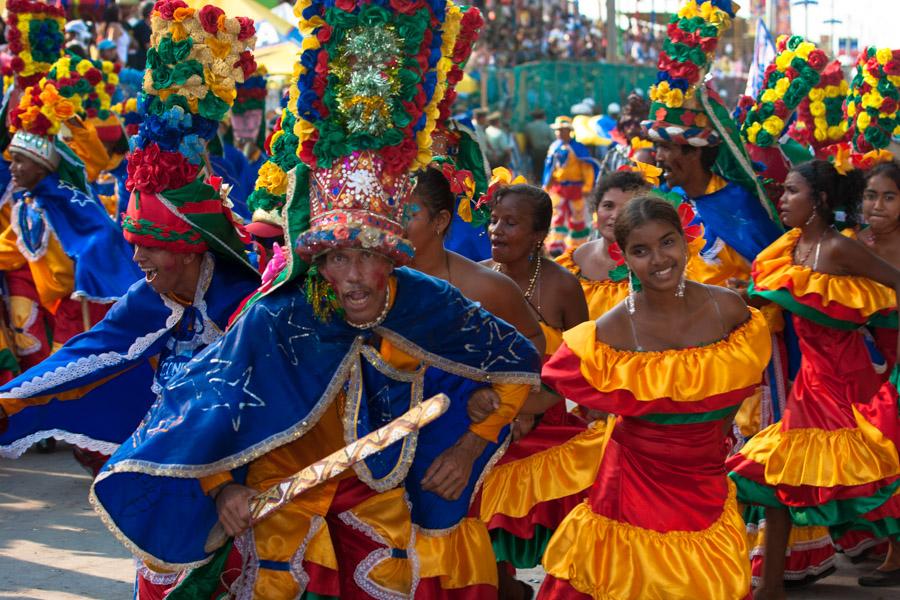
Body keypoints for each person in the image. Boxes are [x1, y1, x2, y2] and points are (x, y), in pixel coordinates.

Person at [90, 3, 541, 599]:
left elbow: (516, 365)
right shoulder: (280, 311)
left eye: (368, 257)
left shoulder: (427, 300)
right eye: (337, 258)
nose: (353, 276)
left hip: (377, 497)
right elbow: (208, 401)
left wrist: (471, 443)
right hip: (278, 497)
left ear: (394, 256)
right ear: (317, 259)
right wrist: (223, 486)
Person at [535, 195, 771, 599]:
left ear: (686, 240)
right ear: (622, 256)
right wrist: (490, 413)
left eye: (667, 242)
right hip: (632, 489)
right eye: (640, 250)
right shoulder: (610, 330)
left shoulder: (730, 310)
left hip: (706, 487)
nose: (659, 259)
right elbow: (549, 387)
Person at [726, 160, 900, 599]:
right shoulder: (790, 247)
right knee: (774, 478)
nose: (781, 200)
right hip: (810, 384)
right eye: (783, 191)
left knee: (866, 478)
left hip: (845, 388)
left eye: (790, 192)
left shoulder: (839, 249)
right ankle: (769, 587)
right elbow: (775, 292)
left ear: (819, 201)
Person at [555, 170, 649, 319]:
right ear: (596, 209)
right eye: (608, 206)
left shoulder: (656, 265)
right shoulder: (572, 262)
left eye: (626, 208)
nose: (615, 215)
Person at [542, 116, 598, 255]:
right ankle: (556, 246)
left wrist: (587, 187)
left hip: (575, 189)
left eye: (562, 130)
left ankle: (577, 246)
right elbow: (550, 169)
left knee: (577, 217)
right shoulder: (554, 147)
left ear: (569, 131)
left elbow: (587, 168)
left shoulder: (578, 148)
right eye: (557, 130)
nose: (559, 133)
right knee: (557, 216)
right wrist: (546, 186)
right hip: (558, 188)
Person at [523, 109, 555, 182]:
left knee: (536, 169)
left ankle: (537, 183)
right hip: (546, 151)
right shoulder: (547, 127)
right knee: (546, 168)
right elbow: (553, 139)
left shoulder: (528, 127)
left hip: (534, 151)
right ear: (543, 116)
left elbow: (527, 140)